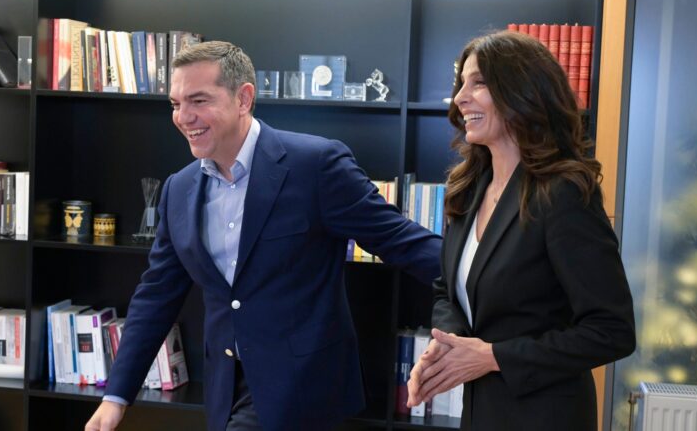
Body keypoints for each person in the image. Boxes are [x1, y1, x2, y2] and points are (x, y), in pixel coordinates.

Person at [84, 40, 442, 431]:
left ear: (244, 98)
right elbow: (156, 296)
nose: (184, 117)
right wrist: (116, 396)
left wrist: (482, 283)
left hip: (301, 385)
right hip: (225, 388)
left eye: (199, 100)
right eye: (175, 103)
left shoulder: (316, 165)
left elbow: (399, 240)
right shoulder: (178, 189)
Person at [406, 31, 636, 430]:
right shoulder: (467, 189)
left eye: (479, 83)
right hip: (481, 413)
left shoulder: (563, 194)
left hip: (546, 417)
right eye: (461, 84)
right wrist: (447, 346)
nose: (460, 98)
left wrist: (492, 356)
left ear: (522, 92)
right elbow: (447, 290)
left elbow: (612, 331)